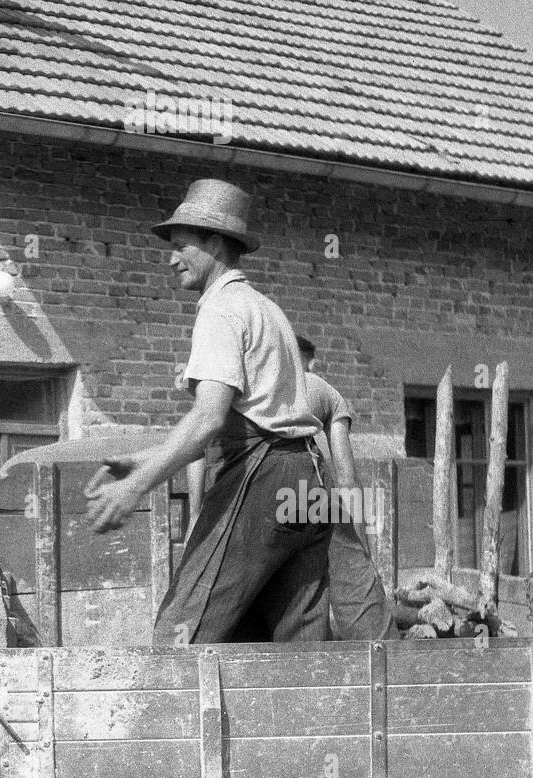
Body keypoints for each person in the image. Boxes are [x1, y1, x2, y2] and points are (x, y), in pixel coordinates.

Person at [85, 179, 330, 644]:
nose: (171, 258)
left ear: (216, 243)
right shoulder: (267, 308)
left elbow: (210, 417)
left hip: (260, 484)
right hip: (308, 479)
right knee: (292, 651)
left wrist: (137, 484)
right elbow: (260, 411)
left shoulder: (219, 309)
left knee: (181, 634)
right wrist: (149, 456)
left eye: (182, 246)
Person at [295, 335, 397, 640]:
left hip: (248, 495)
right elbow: (347, 477)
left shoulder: (246, 388)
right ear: (307, 361)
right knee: (356, 585)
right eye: (311, 361)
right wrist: (361, 546)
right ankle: (386, 655)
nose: (314, 367)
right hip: (302, 493)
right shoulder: (319, 388)